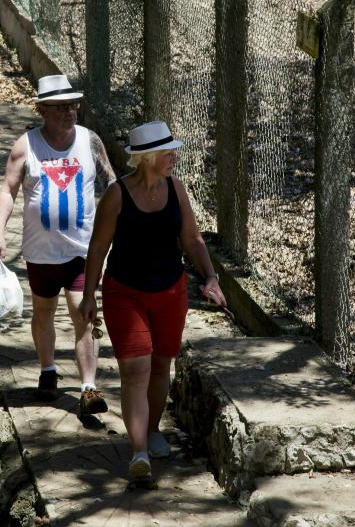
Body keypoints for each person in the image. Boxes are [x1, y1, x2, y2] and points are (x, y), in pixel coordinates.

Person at [78, 120, 227, 482]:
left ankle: (153, 429)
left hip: (170, 291)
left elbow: (192, 240)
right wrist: (88, 295)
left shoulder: (176, 189)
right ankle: (139, 451)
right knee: (136, 371)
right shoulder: (117, 195)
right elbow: (98, 248)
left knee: (162, 366)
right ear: (145, 158)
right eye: (167, 152)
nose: (174, 157)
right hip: (124, 293)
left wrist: (210, 277)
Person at [0, 74, 117, 418]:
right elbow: (7, 191)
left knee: (83, 314)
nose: (69, 112)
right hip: (41, 253)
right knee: (43, 312)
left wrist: (120, 235)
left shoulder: (90, 142)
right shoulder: (26, 146)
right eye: (60, 107)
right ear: (42, 110)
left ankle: (88, 387)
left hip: (81, 251)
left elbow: (113, 187)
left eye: (73, 105)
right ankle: (48, 371)